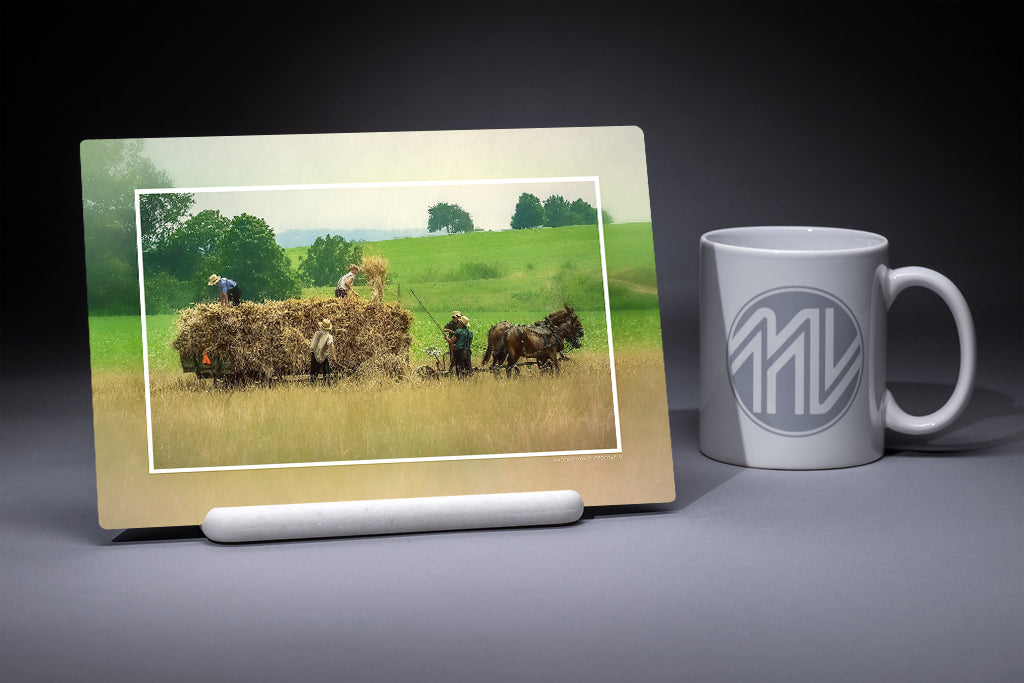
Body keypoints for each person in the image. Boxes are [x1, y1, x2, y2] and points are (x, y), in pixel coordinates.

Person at [310, 319, 338, 384]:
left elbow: (312, 346)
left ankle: (312, 388)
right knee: (326, 374)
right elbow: (331, 345)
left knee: (313, 375)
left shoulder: (317, 333)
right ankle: (326, 387)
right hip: (323, 356)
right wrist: (334, 357)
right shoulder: (329, 336)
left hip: (314, 355)